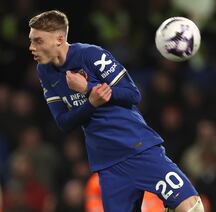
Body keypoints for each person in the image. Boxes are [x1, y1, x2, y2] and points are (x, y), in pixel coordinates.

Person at [28, 10, 204, 212]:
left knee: (192, 208)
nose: (31, 47)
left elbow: (132, 94)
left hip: (137, 147)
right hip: (107, 164)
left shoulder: (91, 55)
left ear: (59, 39)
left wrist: (88, 88)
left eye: (38, 41)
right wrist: (91, 102)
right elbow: (64, 122)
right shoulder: (45, 72)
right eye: (32, 41)